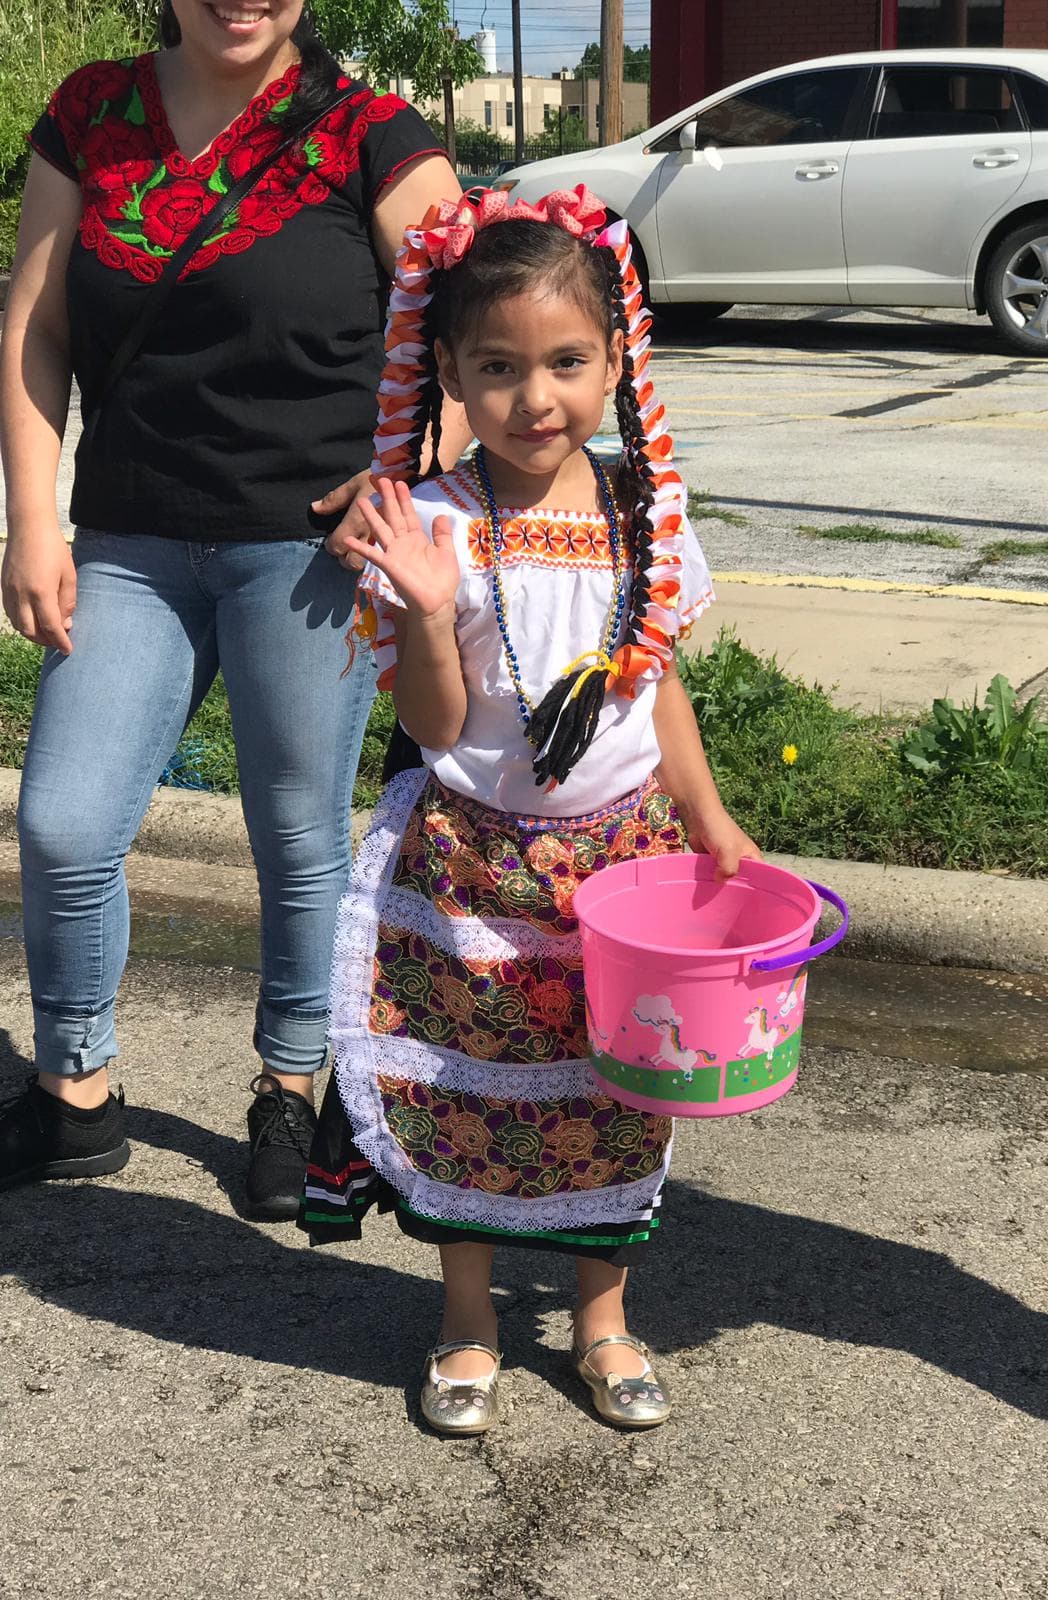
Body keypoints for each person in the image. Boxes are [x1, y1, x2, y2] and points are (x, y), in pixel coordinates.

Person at [299, 186, 760, 1433]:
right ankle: (468, 1320)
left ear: (618, 358)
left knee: (618, 1090)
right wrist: (433, 608)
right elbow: (442, 728)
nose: (535, 396)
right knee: (473, 1088)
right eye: (496, 367)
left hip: (625, 869)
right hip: (472, 867)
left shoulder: (642, 513)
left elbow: (651, 689)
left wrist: (710, 821)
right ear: (446, 369)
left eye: (565, 361)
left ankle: (604, 1321)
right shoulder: (431, 518)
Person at [0, 1, 466, 1216]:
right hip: (130, 537)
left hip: (308, 547)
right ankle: (75, 1089)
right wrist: (35, 521)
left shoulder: (374, 135)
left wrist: (410, 477)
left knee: (298, 835)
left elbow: (475, 330)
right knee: (61, 822)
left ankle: (290, 1086)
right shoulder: (91, 116)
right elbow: (34, 328)